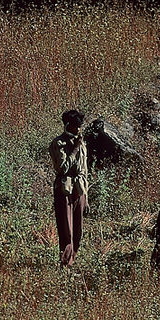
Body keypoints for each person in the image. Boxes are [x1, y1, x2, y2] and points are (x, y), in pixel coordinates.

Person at [49, 109, 89, 267]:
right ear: (67, 125)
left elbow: (84, 170)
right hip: (64, 190)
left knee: (78, 231)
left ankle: (72, 260)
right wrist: (74, 149)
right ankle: (65, 264)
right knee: (67, 230)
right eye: (75, 126)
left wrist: (86, 197)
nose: (78, 129)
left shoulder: (81, 143)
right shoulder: (59, 143)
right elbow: (63, 168)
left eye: (79, 126)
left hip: (79, 190)